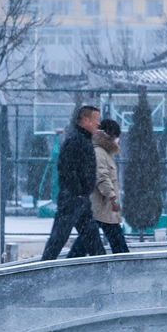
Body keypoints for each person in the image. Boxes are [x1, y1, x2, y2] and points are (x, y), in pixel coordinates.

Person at [41, 105, 106, 261]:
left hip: (80, 199)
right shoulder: (75, 139)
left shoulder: (82, 139)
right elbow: (66, 167)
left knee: (93, 240)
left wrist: (82, 194)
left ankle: (104, 270)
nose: (99, 124)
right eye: (96, 120)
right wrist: (77, 192)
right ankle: (42, 272)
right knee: (58, 239)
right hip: (73, 199)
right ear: (85, 119)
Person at [91, 118, 130, 254]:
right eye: (116, 136)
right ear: (110, 135)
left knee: (88, 240)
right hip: (103, 207)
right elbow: (102, 178)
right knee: (119, 245)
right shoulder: (99, 153)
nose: (117, 140)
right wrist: (113, 198)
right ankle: (126, 268)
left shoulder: (104, 153)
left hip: (103, 209)